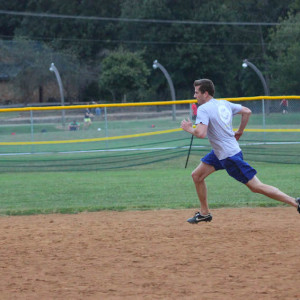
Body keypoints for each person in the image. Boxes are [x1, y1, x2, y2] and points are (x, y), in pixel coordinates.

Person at [181, 79, 300, 224]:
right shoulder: (224, 103)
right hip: (221, 152)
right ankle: (205, 213)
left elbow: (200, 133)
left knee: (256, 187)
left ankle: (295, 202)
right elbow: (247, 111)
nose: (195, 95)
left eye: (196, 92)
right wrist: (240, 131)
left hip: (228, 156)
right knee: (197, 176)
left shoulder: (203, 109)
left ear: (205, 93)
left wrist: (189, 129)